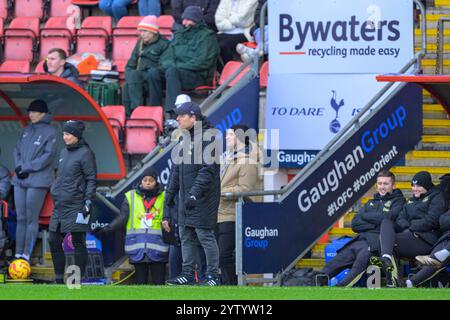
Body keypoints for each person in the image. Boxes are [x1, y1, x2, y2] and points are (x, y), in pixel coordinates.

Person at [311, 171, 405, 287]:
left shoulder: (399, 201)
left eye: (386, 184)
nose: (382, 187)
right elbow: (355, 224)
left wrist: (366, 217)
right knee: (334, 263)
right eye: (379, 183)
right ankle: (317, 283)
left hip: (375, 244)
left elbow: (387, 219)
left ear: (393, 185)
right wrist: (375, 223)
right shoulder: (371, 202)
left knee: (360, 262)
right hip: (360, 240)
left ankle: (341, 287)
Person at [164, 102, 221, 286]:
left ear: (193, 117)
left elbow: (208, 170)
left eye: (181, 116)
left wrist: (195, 194)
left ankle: (213, 275)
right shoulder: (184, 139)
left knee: (205, 235)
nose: (177, 119)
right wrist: (170, 196)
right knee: (185, 234)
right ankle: (188, 274)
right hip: (186, 197)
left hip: (202, 198)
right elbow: (175, 171)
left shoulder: (209, 137)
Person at [92, 167, 169, 285]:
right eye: (145, 180)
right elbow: (122, 218)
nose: (148, 182)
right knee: (140, 285)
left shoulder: (164, 196)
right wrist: (106, 229)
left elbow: (170, 217)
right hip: (137, 248)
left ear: (156, 182)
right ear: (141, 181)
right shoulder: (130, 196)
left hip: (158, 246)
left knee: (159, 284)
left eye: (151, 180)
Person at [370, 171, 447, 287]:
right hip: (410, 235)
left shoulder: (437, 197)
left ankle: (392, 280)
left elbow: (432, 220)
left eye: (418, 186)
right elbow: (400, 218)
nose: (415, 189)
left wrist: (411, 227)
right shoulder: (411, 200)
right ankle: (387, 260)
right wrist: (408, 228)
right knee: (386, 224)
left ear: (427, 185)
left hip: (426, 239)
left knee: (385, 241)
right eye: (413, 185)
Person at [147, 6, 219, 116]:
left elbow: (204, 62)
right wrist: (174, 65)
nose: (184, 22)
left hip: (198, 76)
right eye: (183, 19)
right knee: (153, 72)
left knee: (172, 71)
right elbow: (167, 56)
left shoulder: (207, 36)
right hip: (178, 71)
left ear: (196, 19)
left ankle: (173, 113)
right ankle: (154, 112)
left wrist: (178, 66)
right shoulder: (180, 34)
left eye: (187, 19)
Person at [49, 120, 97, 284]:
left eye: (68, 134)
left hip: (77, 204)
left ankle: (76, 280)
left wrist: (88, 201)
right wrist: (53, 188)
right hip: (60, 205)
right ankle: (59, 280)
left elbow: (91, 179)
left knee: (78, 242)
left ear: (76, 135)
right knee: (53, 239)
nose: (65, 137)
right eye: (64, 133)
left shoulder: (86, 153)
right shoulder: (63, 152)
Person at [13, 100, 57, 262]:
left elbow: (47, 156)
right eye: (29, 111)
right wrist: (19, 167)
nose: (30, 114)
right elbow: (16, 149)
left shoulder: (51, 132)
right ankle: (17, 253)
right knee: (20, 218)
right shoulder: (25, 130)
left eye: (33, 111)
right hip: (19, 179)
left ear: (43, 113)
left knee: (32, 218)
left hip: (38, 180)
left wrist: (26, 168)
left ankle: (26, 254)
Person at [217, 124, 258, 285]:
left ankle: (233, 287)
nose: (226, 137)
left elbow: (245, 189)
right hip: (217, 214)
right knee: (219, 257)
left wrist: (221, 191)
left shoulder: (248, 161)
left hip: (232, 214)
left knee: (224, 256)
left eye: (230, 135)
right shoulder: (223, 157)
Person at [123, 15, 170, 115]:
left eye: (145, 31)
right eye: (141, 31)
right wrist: (129, 76)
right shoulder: (140, 42)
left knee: (134, 76)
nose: (142, 34)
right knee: (128, 82)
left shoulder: (164, 44)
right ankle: (128, 115)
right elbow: (130, 65)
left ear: (153, 32)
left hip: (152, 80)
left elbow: (164, 67)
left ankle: (136, 111)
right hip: (139, 79)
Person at [406, 208, 450, 287]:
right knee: (434, 259)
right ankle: (411, 282)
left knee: (436, 258)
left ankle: (445, 253)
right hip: (446, 239)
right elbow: (443, 223)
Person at [215, 0, 258, 69]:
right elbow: (218, 21)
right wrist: (234, 22)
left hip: (244, 32)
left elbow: (243, 21)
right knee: (210, 42)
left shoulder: (252, 1)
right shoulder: (224, 1)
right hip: (224, 31)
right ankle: (220, 72)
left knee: (223, 45)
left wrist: (228, 18)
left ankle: (229, 70)